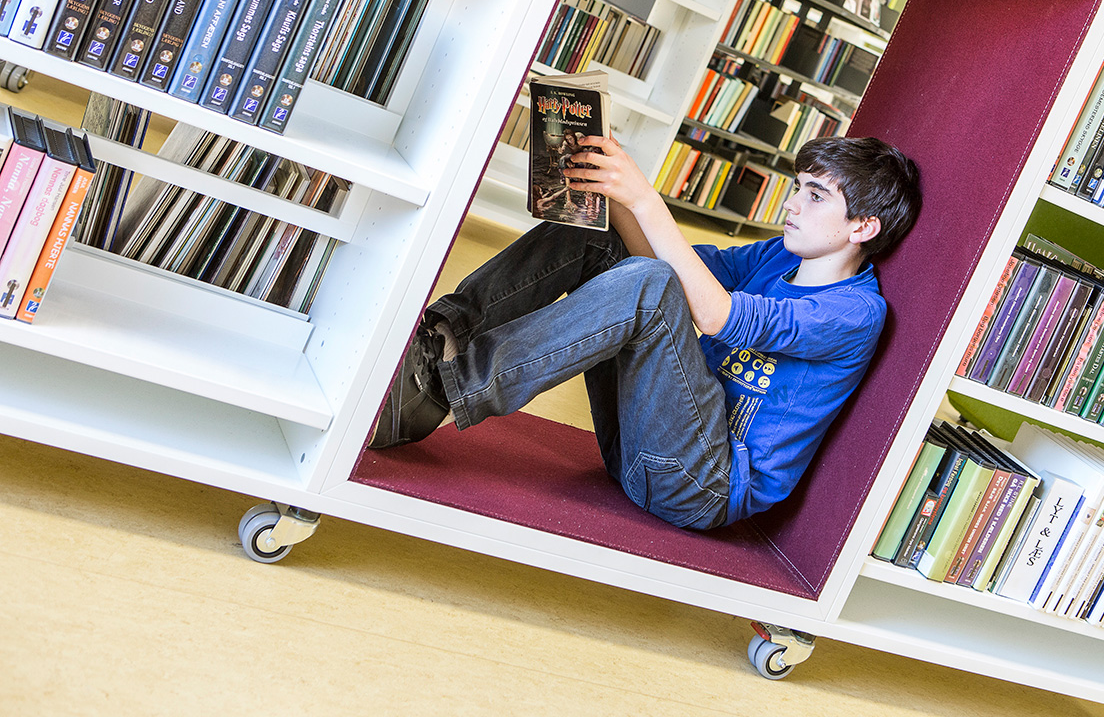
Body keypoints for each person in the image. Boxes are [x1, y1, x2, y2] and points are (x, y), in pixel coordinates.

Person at [369, 135, 921, 531]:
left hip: (699, 486)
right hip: (641, 444)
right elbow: (665, 262)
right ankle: (441, 339)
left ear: (863, 226)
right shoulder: (780, 255)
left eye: (816, 196)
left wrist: (645, 198)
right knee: (601, 235)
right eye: (798, 188)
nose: (792, 204)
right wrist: (613, 196)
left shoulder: (855, 313)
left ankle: (444, 390)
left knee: (652, 286)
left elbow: (714, 315)